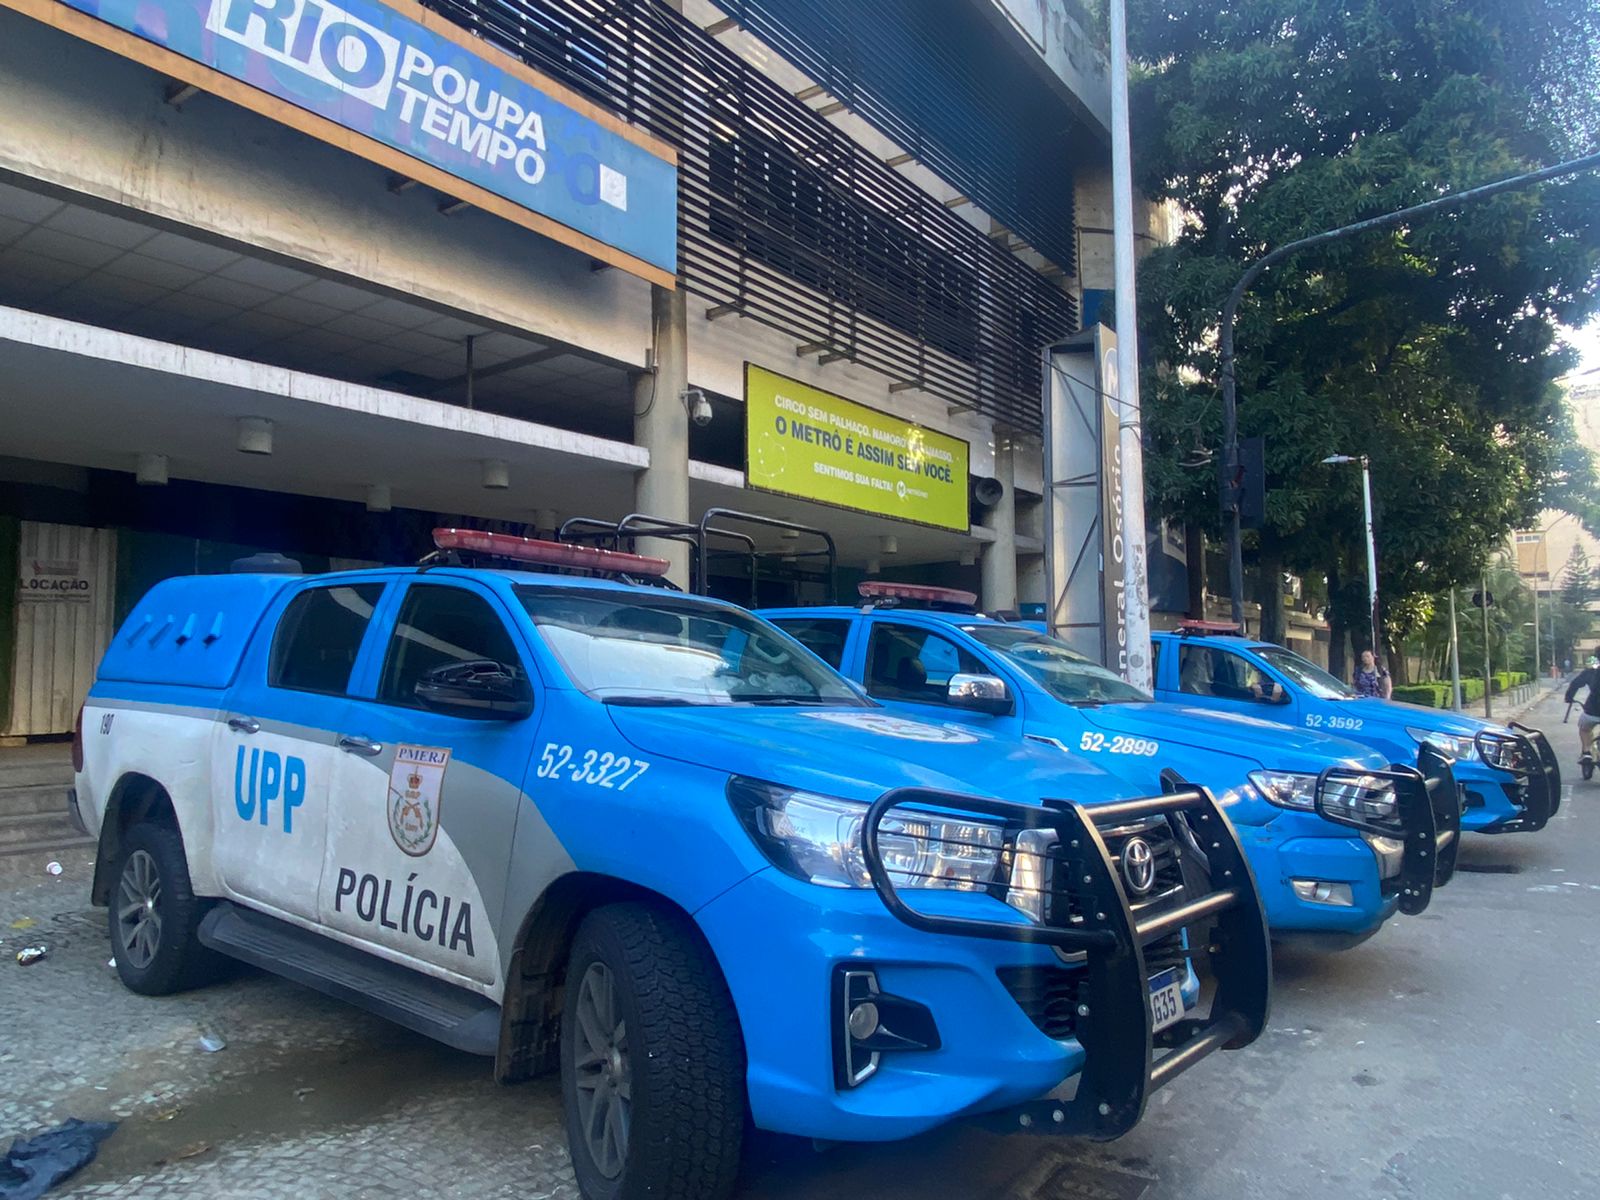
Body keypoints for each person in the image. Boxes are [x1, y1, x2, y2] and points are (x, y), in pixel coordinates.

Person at [1564, 649, 1600, 767]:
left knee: (1584, 728)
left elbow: (1575, 684)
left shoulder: (1591, 672)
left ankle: (1586, 752)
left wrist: (1569, 697)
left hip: (1593, 710)